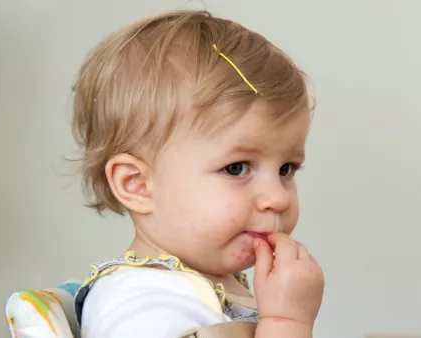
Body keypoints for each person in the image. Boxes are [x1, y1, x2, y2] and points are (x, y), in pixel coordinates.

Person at [70, 9, 324, 338]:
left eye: (286, 169)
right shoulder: (139, 301)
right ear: (138, 185)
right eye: (236, 168)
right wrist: (287, 325)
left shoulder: (219, 285)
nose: (277, 198)